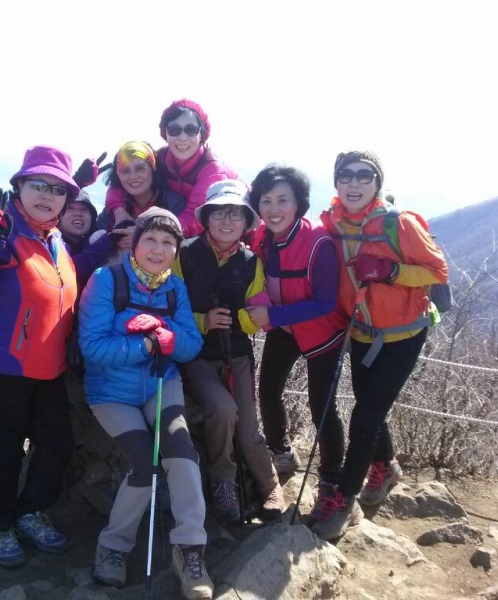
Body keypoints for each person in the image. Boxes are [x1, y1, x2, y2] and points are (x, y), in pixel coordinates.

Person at [0, 145, 90, 568]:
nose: (47, 195)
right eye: (38, 185)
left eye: (58, 189)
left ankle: (29, 511)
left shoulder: (53, 238)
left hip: (46, 367)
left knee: (57, 442)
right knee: (1, 449)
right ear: (19, 187)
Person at [79, 208, 213, 600]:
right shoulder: (106, 280)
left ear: (176, 250)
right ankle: (113, 546)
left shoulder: (175, 288)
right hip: (110, 392)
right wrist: (147, 345)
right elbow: (92, 347)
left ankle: (190, 549)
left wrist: (168, 336)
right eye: (150, 239)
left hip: (160, 384)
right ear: (135, 243)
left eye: (168, 242)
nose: (158, 249)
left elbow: (190, 345)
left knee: (181, 452)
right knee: (145, 464)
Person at [314, 150, 448, 540]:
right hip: (361, 333)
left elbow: (438, 270)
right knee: (369, 406)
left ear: (377, 182)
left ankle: (345, 499)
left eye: (364, 175)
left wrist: (391, 271)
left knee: (365, 416)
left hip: (403, 335)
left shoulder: (399, 223)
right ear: (336, 182)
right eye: (345, 175)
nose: (354, 183)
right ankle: (385, 466)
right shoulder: (333, 224)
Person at [173, 179, 285, 523]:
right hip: (195, 355)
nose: (227, 221)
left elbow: (255, 320)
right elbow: (168, 307)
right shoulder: (184, 254)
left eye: (236, 214)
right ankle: (224, 481)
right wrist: (203, 321)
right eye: (219, 212)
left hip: (237, 354)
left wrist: (246, 318)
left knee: (249, 430)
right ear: (206, 217)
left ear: (246, 221)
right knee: (222, 411)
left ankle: (269, 485)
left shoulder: (251, 262)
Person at [246, 165, 347, 491]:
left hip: (322, 333)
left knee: (322, 407)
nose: (274, 209)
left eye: (283, 200)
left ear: (298, 203)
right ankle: (281, 452)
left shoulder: (319, 242)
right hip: (285, 327)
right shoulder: (263, 237)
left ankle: (331, 477)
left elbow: (325, 302)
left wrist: (272, 316)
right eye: (266, 201)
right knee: (268, 390)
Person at [102, 100, 238, 238]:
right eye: (174, 130)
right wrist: (118, 209)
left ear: (202, 134)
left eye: (191, 130)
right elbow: (120, 181)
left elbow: (195, 217)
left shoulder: (213, 171)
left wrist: (145, 233)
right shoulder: (161, 158)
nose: (182, 137)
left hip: (235, 235)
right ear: (165, 134)